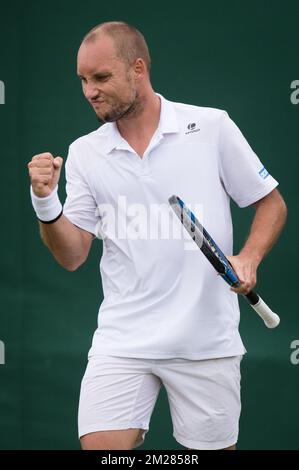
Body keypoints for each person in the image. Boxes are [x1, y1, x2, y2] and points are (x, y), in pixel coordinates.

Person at [28, 21, 287, 451]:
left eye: (101, 77)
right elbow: (71, 255)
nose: (90, 90)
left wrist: (249, 258)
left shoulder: (211, 126)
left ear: (138, 69)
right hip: (122, 341)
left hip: (206, 342)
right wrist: (45, 202)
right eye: (83, 80)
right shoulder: (84, 153)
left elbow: (271, 203)